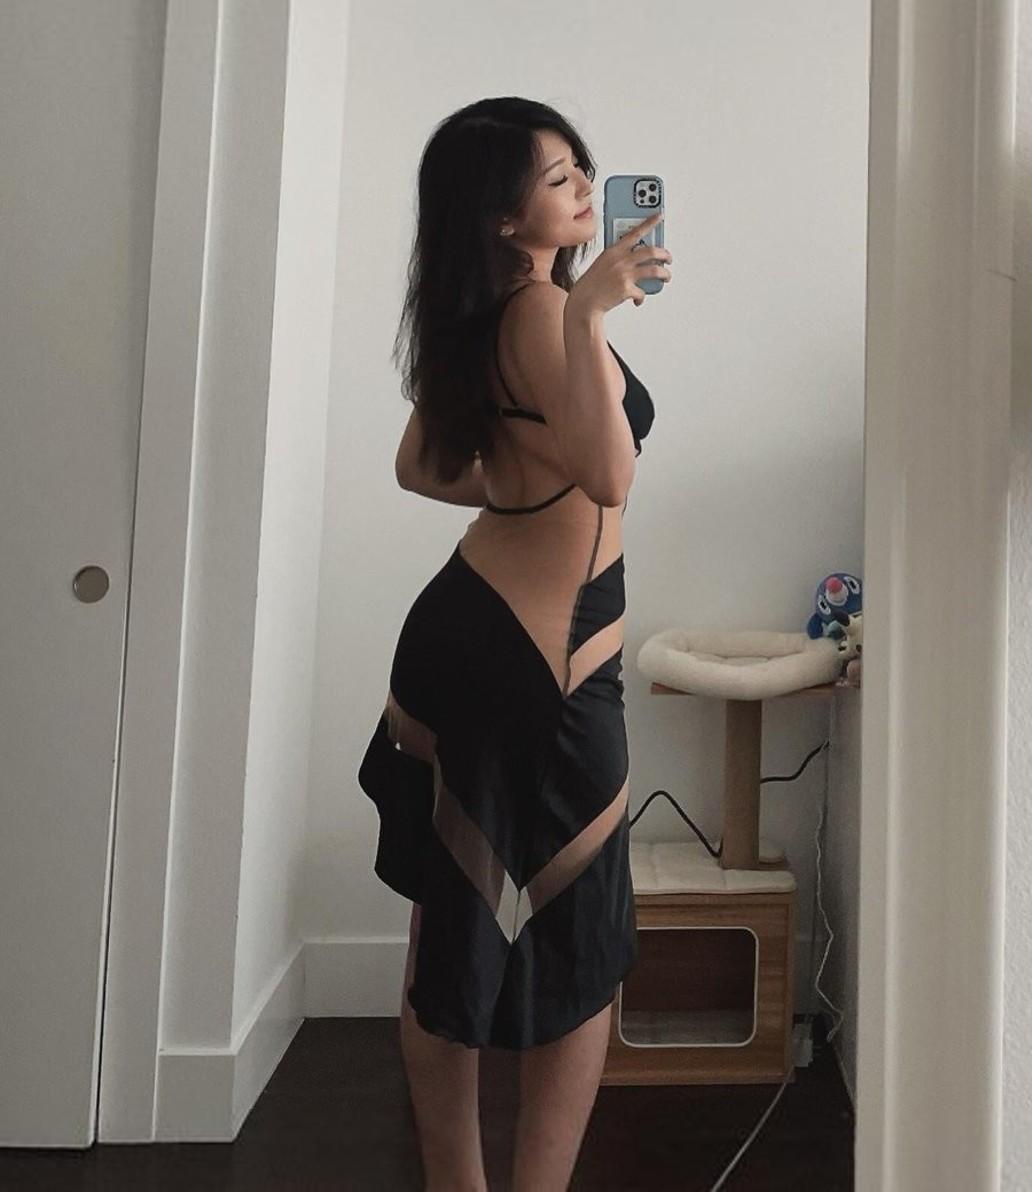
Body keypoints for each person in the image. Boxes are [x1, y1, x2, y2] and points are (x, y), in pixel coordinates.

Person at [357, 96, 673, 1191]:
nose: (585, 185)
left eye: (582, 165)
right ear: (501, 216)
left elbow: (421, 465)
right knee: (577, 947)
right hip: (539, 668)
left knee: (451, 927)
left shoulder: (483, 311)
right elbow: (611, 476)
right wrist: (585, 319)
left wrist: (517, 480)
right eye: (558, 176)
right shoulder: (543, 311)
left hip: (479, 636)